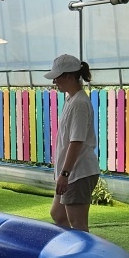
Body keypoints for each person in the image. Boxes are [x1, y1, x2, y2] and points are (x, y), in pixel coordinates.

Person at [45, 54, 101, 232]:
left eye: (57, 77)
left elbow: (76, 142)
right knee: (58, 214)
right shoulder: (71, 99)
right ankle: (68, 246)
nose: (54, 82)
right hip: (72, 172)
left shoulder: (79, 103)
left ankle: (84, 250)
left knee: (78, 224)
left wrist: (65, 174)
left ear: (69, 76)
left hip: (78, 172)